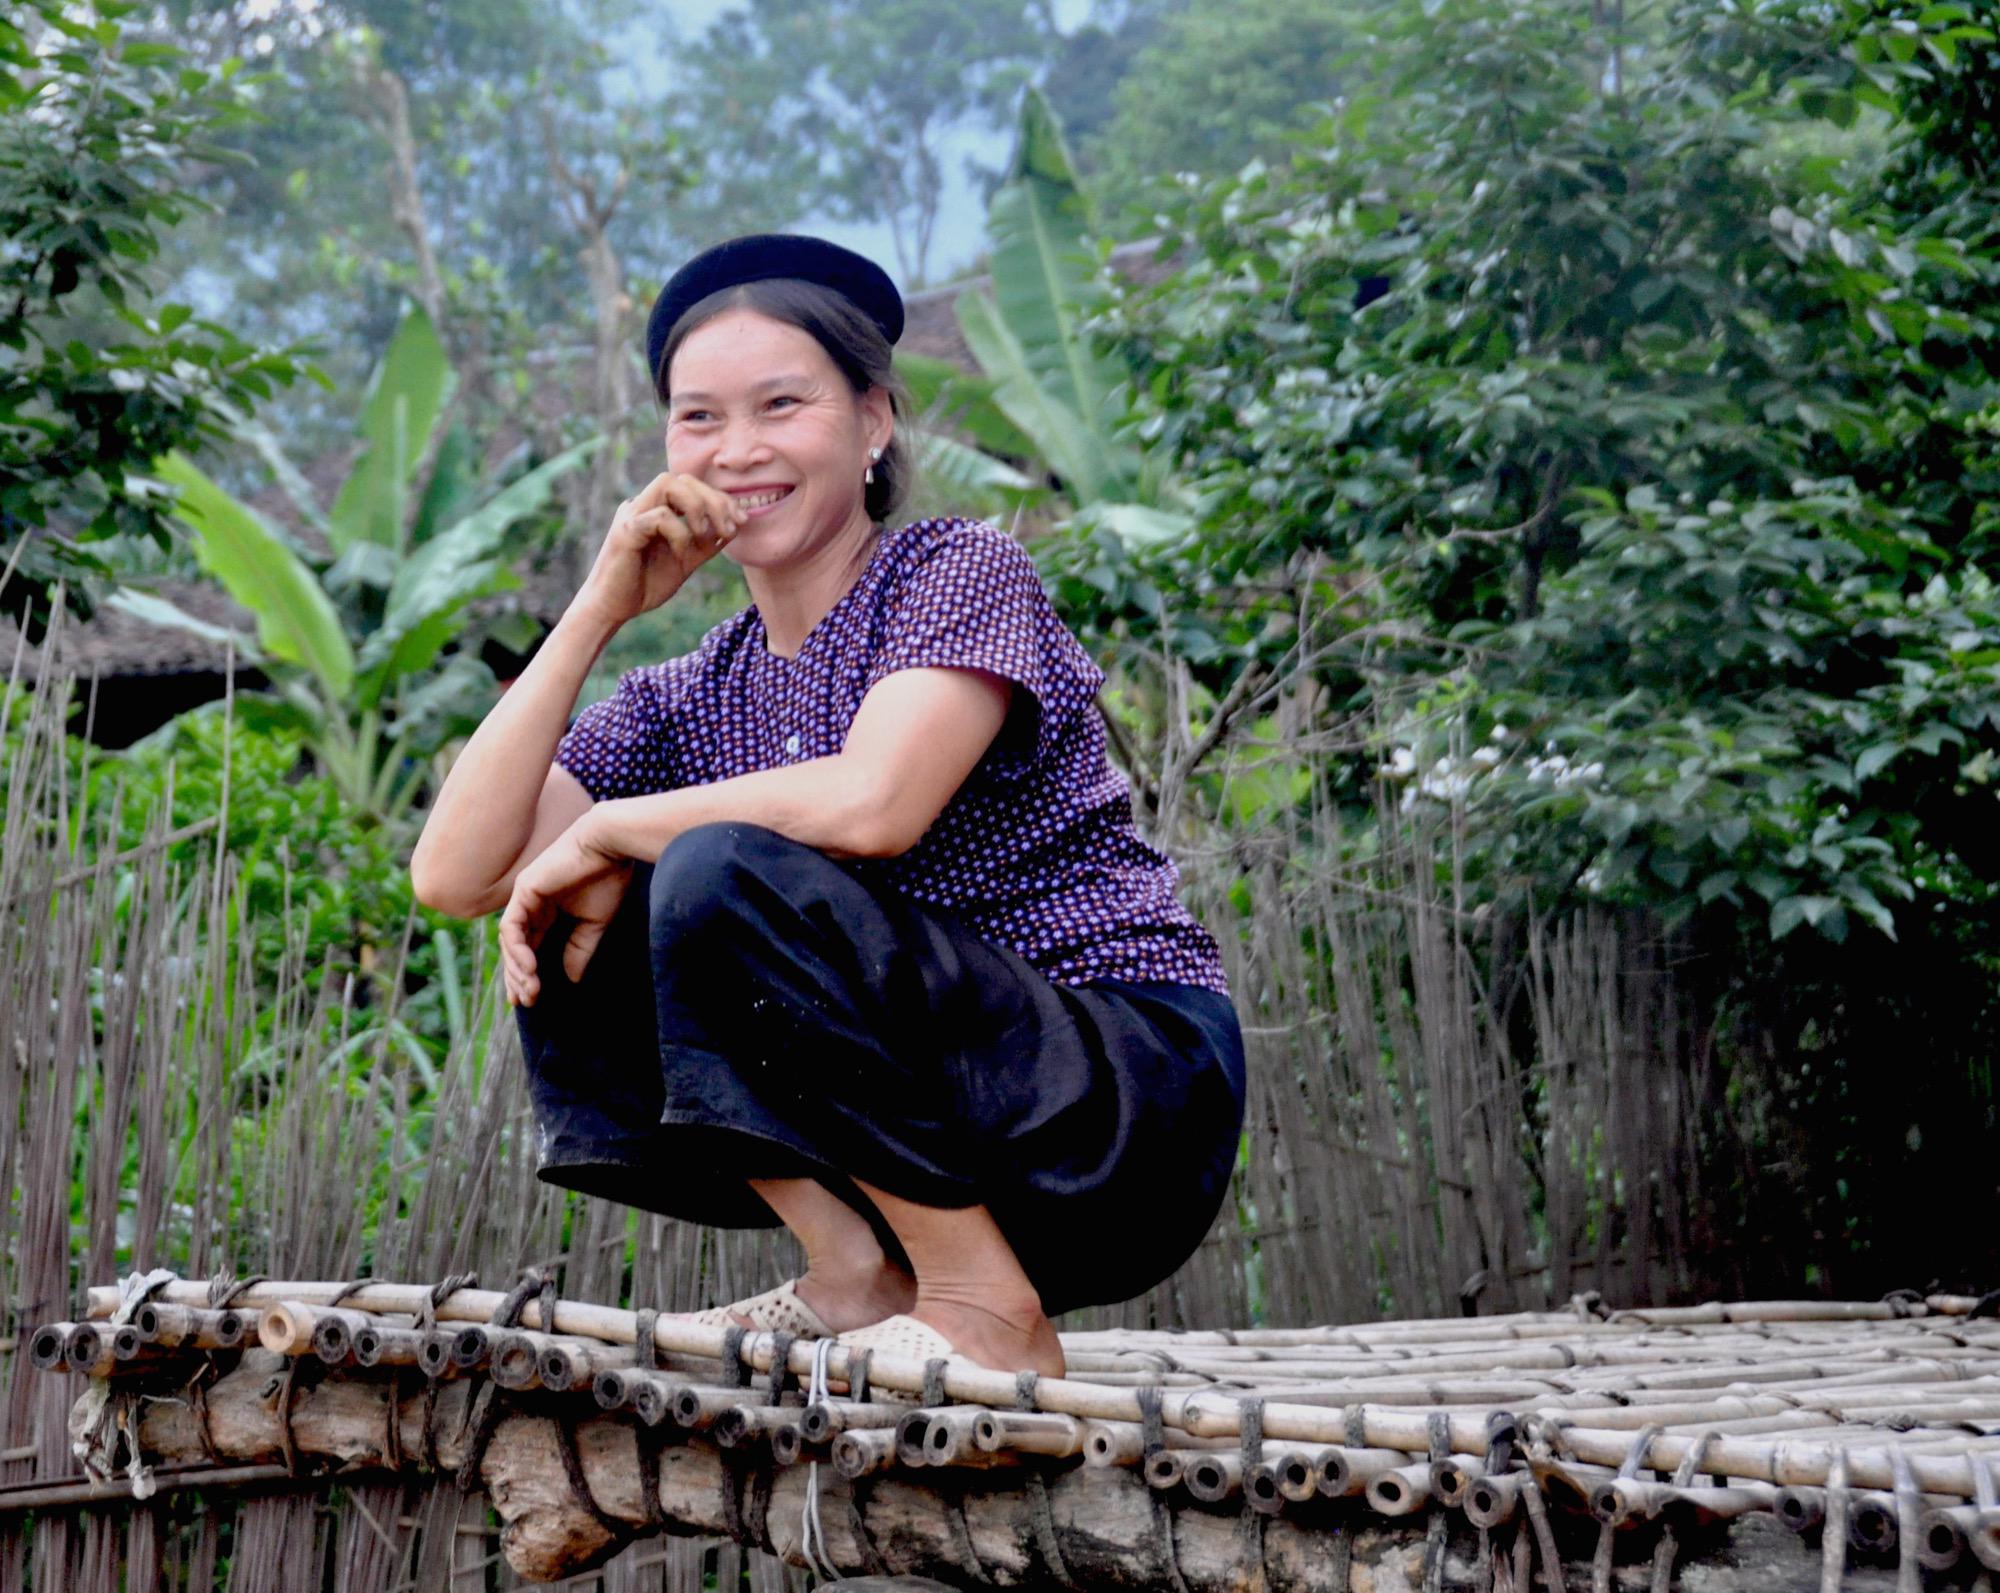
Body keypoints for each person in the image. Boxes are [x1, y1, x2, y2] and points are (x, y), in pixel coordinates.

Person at [410, 234, 1245, 1377]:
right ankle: (854, 1268)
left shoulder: (954, 571)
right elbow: (457, 877)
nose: (737, 449)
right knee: (569, 911)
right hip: (926, 1144)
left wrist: (609, 829)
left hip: (1116, 1103)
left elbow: (874, 804)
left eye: (780, 404)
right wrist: (598, 607)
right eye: (697, 418)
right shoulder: (698, 684)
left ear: (873, 421)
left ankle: (985, 1308)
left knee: (693, 864)